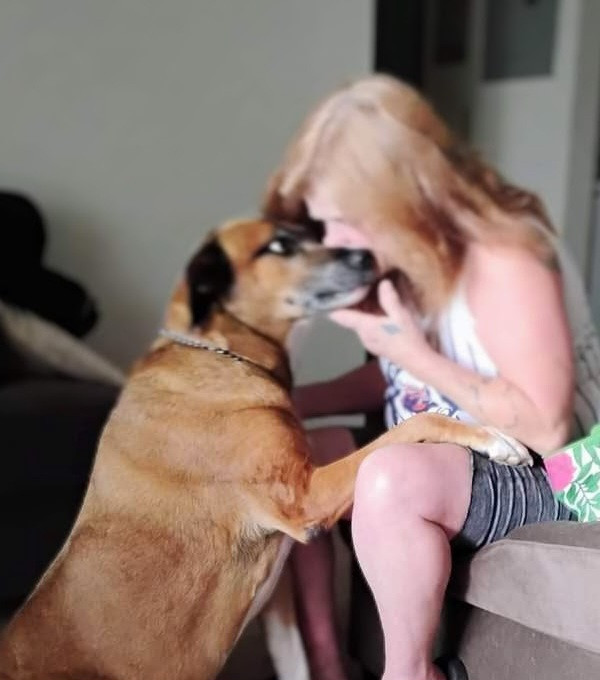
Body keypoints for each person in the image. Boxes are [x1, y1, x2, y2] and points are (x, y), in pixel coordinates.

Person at [261, 75, 600, 680]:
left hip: (560, 472)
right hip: (460, 445)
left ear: (394, 199)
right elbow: (401, 381)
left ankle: (411, 674)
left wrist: (409, 351)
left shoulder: (505, 256)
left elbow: (547, 429)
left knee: (391, 480)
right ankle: (327, 665)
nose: (332, 242)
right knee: (292, 463)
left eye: (341, 221)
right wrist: (295, 401)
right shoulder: (411, 259)